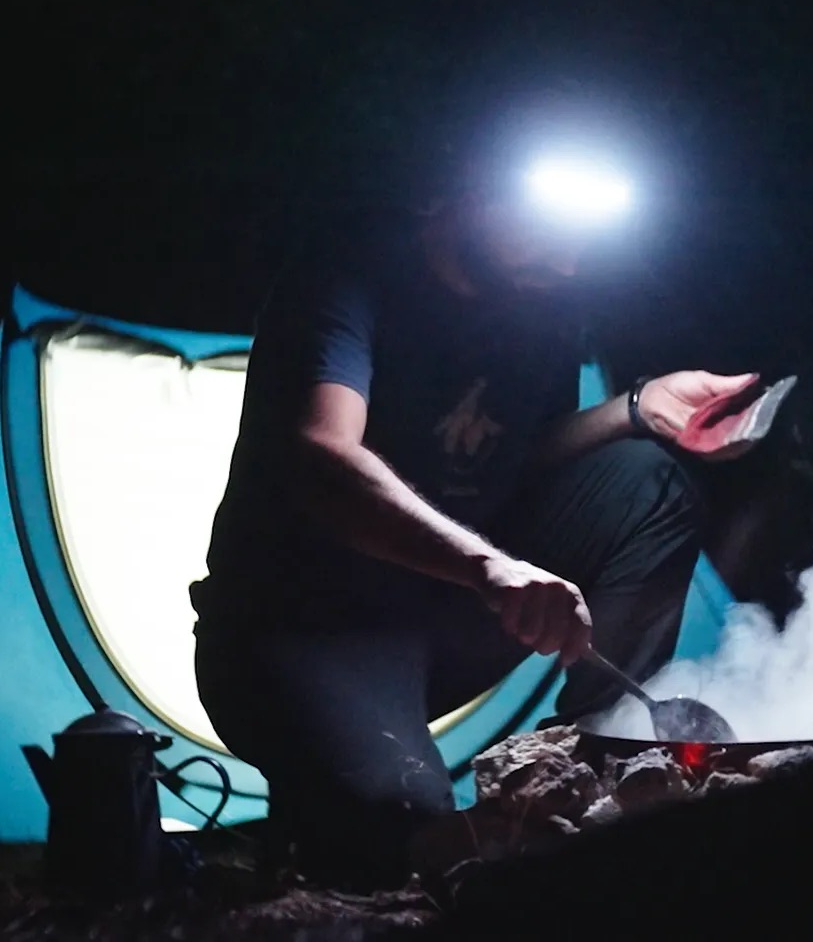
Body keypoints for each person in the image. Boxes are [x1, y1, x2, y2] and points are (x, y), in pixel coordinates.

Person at [190, 126, 761, 889]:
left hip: (444, 614)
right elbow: (320, 458)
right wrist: (489, 566)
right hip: (301, 627)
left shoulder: (540, 301)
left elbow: (524, 461)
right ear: (468, 190)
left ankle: (608, 755)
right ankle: (342, 796)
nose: (566, 263)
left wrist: (637, 408)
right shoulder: (353, 270)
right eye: (546, 233)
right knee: (405, 825)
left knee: (647, 479)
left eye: (580, 244)